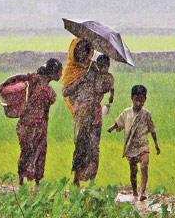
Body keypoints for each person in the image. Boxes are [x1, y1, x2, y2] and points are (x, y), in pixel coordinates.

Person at [0, 58, 64, 187]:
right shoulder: (36, 79)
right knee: (27, 151)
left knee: (39, 153)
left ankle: (36, 183)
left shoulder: (49, 91)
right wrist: (2, 85)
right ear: (53, 72)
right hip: (28, 124)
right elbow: (18, 77)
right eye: (60, 71)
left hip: (40, 126)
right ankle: (22, 181)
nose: (61, 75)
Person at [62, 53, 114, 186]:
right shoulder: (83, 73)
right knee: (80, 144)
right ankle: (76, 177)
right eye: (101, 65)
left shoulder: (105, 77)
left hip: (96, 114)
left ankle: (92, 179)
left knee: (94, 147)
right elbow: (65, 92)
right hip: (83, 114)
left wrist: (104, 80)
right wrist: (80, 80)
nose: (103, 68)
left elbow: (106, 89)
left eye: (106, 66)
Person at [107, 85, 161, 202]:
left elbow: (152, 130)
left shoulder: (146, 114)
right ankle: (135, 192)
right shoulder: (127, 112)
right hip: (131, 146)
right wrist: (112, 127)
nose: (139, 103)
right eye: (137, 99)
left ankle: (142, 192)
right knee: (133, 171)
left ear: (145, 100)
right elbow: (119, 122)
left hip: (143, 145)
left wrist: (156, 145)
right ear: (132, 98)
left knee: (144, 165)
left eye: (141, 100)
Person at [61, 38, 93, 113]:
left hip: (92, 108)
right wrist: (79, 80)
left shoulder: (92, 67)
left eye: (84, 50)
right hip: (78, 109)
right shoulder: (70, 69)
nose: (82, 53)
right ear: (74, 52)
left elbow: (100, 88)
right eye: (79, 50)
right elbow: (65, 92)